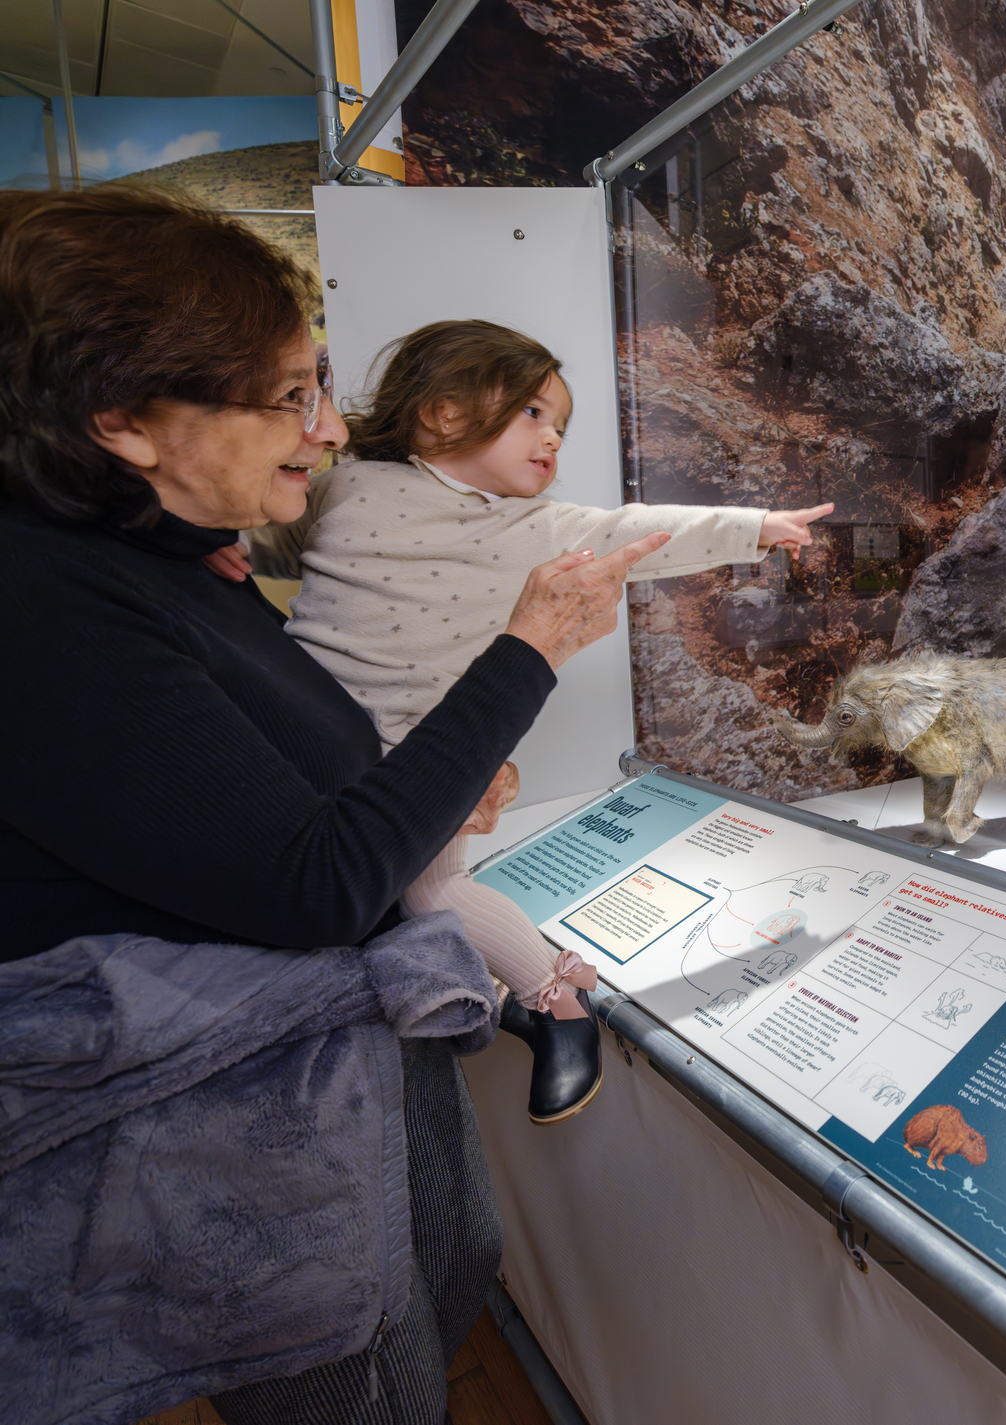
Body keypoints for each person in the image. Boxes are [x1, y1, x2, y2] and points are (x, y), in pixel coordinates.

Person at [0, 186, 655, 1423]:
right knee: (368, 1388)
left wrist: (434, 788)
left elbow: (292, 774)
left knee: (450, 1268)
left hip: (340, 1059)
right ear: (124, 420)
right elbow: (308, 881)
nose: (329, 427)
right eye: (290, 395)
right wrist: (525, 655)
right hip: (243, 1135)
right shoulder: (48, 603)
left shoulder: (169, 556)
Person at [222, 319, 832, 1124]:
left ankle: (557, 1005)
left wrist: (755, 528)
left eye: (562, 427)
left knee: (435, 894)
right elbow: (271, 533)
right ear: (444, 413)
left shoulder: (535, 532)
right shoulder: (345, 485)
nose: (553, 441)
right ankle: (493, 990)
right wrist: (222, 544)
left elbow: (642, 532)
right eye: (535, 415)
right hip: (296, 735)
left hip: (419, 762)